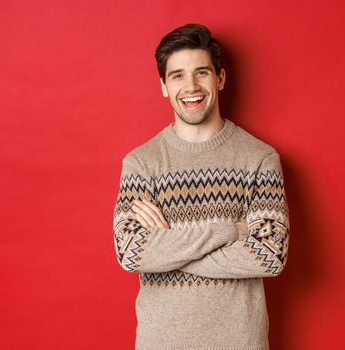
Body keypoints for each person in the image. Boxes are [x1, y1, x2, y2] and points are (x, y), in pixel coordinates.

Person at [113, 23, 290, 350]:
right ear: (164, 86)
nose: (190, 86)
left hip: (240, 343)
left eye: (202, 72)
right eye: (177, 75)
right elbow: (131, 253)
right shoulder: (141, 164)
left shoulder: (260, 159)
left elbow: (269, 255)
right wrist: (229, 232)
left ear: (219, 78)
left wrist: (169, 247)